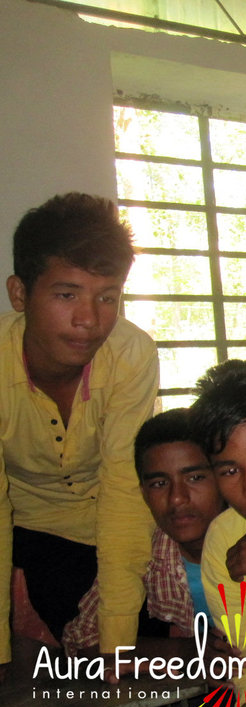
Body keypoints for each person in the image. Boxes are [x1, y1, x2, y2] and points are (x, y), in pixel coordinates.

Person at [0, 192, 158, 667]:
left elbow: (124, 490)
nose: (90, 320)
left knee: (150, 646)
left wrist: (118, 643)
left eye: (107, 297)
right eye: (67, 294)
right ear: (20, 294)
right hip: (32, 530)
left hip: (119, 524)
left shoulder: (131, 354)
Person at [62, 408, 224, 655]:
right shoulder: (148, 554)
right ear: (143, 494)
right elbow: (81, 640)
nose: (177, 498)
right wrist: (191, 651)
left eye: (195, 477)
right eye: (159, 484)